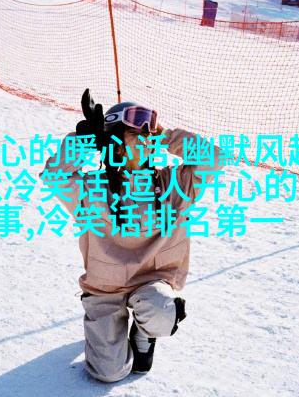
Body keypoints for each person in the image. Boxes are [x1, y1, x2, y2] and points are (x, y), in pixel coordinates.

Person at [40, 90, 223, 382]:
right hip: (105, 289)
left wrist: (165, 136)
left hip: (152, 283)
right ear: (115, 142)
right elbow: (55, 175)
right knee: (109, 372)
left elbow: (213, 158)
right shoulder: (93, 189)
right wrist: (83, 142)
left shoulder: (172, 184)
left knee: (161, 310)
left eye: (149, 134)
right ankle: (105, 332)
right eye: (136, 134)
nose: (146, 139)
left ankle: (144, 330)